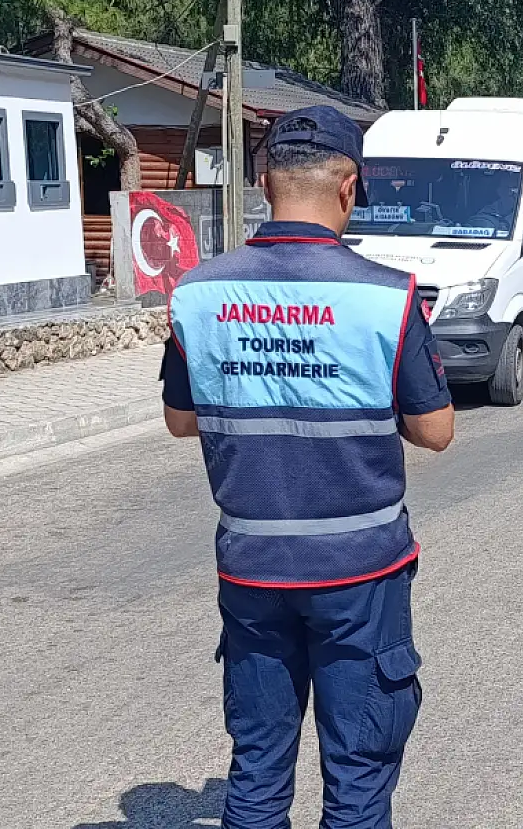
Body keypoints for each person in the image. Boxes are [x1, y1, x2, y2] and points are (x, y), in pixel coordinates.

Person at [159, 105, 455, 829]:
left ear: (264, 182)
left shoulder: (198, 294)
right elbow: (436, 430)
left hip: (253, 570)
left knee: (258, 769)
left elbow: (179, 420)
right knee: (357, 774)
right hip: (360, 576)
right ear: (349, 189)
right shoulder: (388, 297)